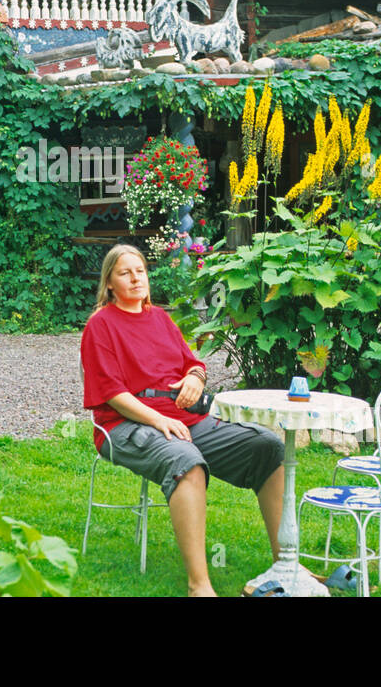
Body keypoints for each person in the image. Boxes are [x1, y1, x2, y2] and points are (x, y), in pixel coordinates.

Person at [80, 244, 285, 596]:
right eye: (124, 273)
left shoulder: (159, 318)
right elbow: (112, 393)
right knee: (185, 460)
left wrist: (194, 378)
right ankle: (199, 585)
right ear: (109, 283)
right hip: (125, 426)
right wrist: (157, 420)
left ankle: (287, 564)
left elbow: (192, 362)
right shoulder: (101, 325)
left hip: (184, 419)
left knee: (266, 446)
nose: (135, 278)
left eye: (140, 271)